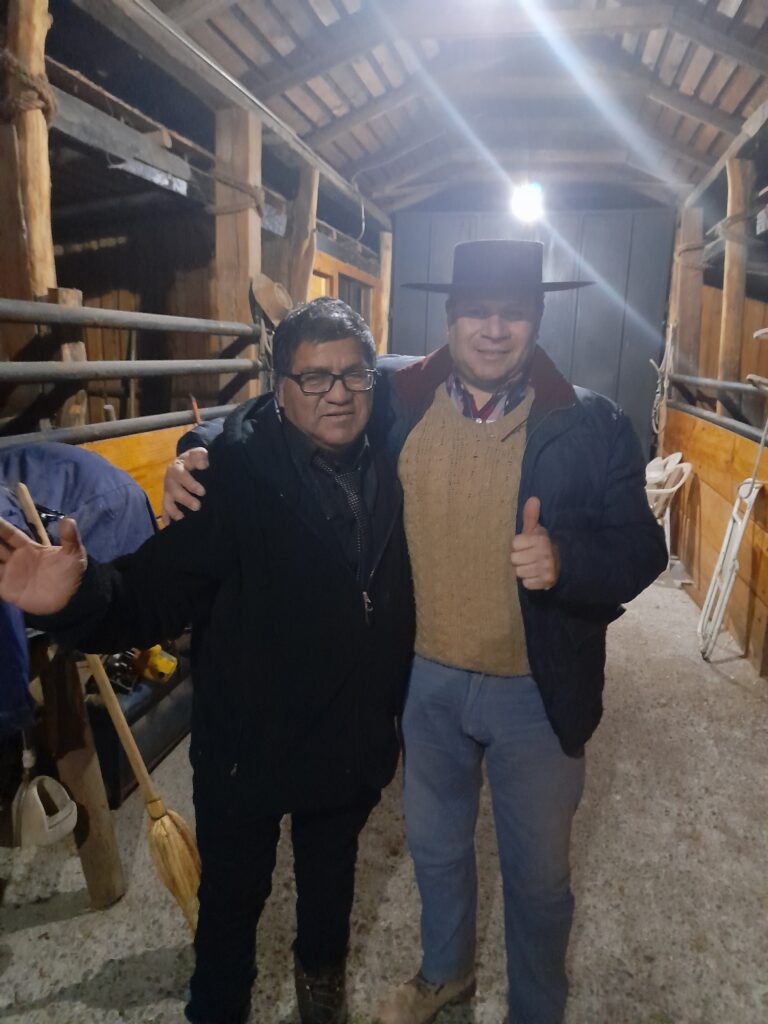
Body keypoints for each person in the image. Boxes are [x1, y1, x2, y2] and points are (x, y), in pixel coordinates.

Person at [160, 239, 668, 1024]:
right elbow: (284, 407)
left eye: (512, 313)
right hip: (424, 684)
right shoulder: (399, 395)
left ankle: (537, 1007)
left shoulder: (591, 422)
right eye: (477, 312)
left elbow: (643, 549)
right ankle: (446, 974)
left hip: (535, 691)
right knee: (436, 851)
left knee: (538, 879)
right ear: (451, 316)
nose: (493, 330)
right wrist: (197, 451)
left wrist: (567, 560)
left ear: (536, 319)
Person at [0, 297, 415, 1024]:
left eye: (354, 374)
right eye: (314, 378)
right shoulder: (229, 480)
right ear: (280, 388)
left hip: (346, 737)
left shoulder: (396, 457)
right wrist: (77, 595)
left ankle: (321, 980)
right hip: (246, 751)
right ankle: (219, 1005)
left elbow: (458, 367)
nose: (338, 393)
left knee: (330, 878)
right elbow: (151, 593)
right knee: (231, 900)